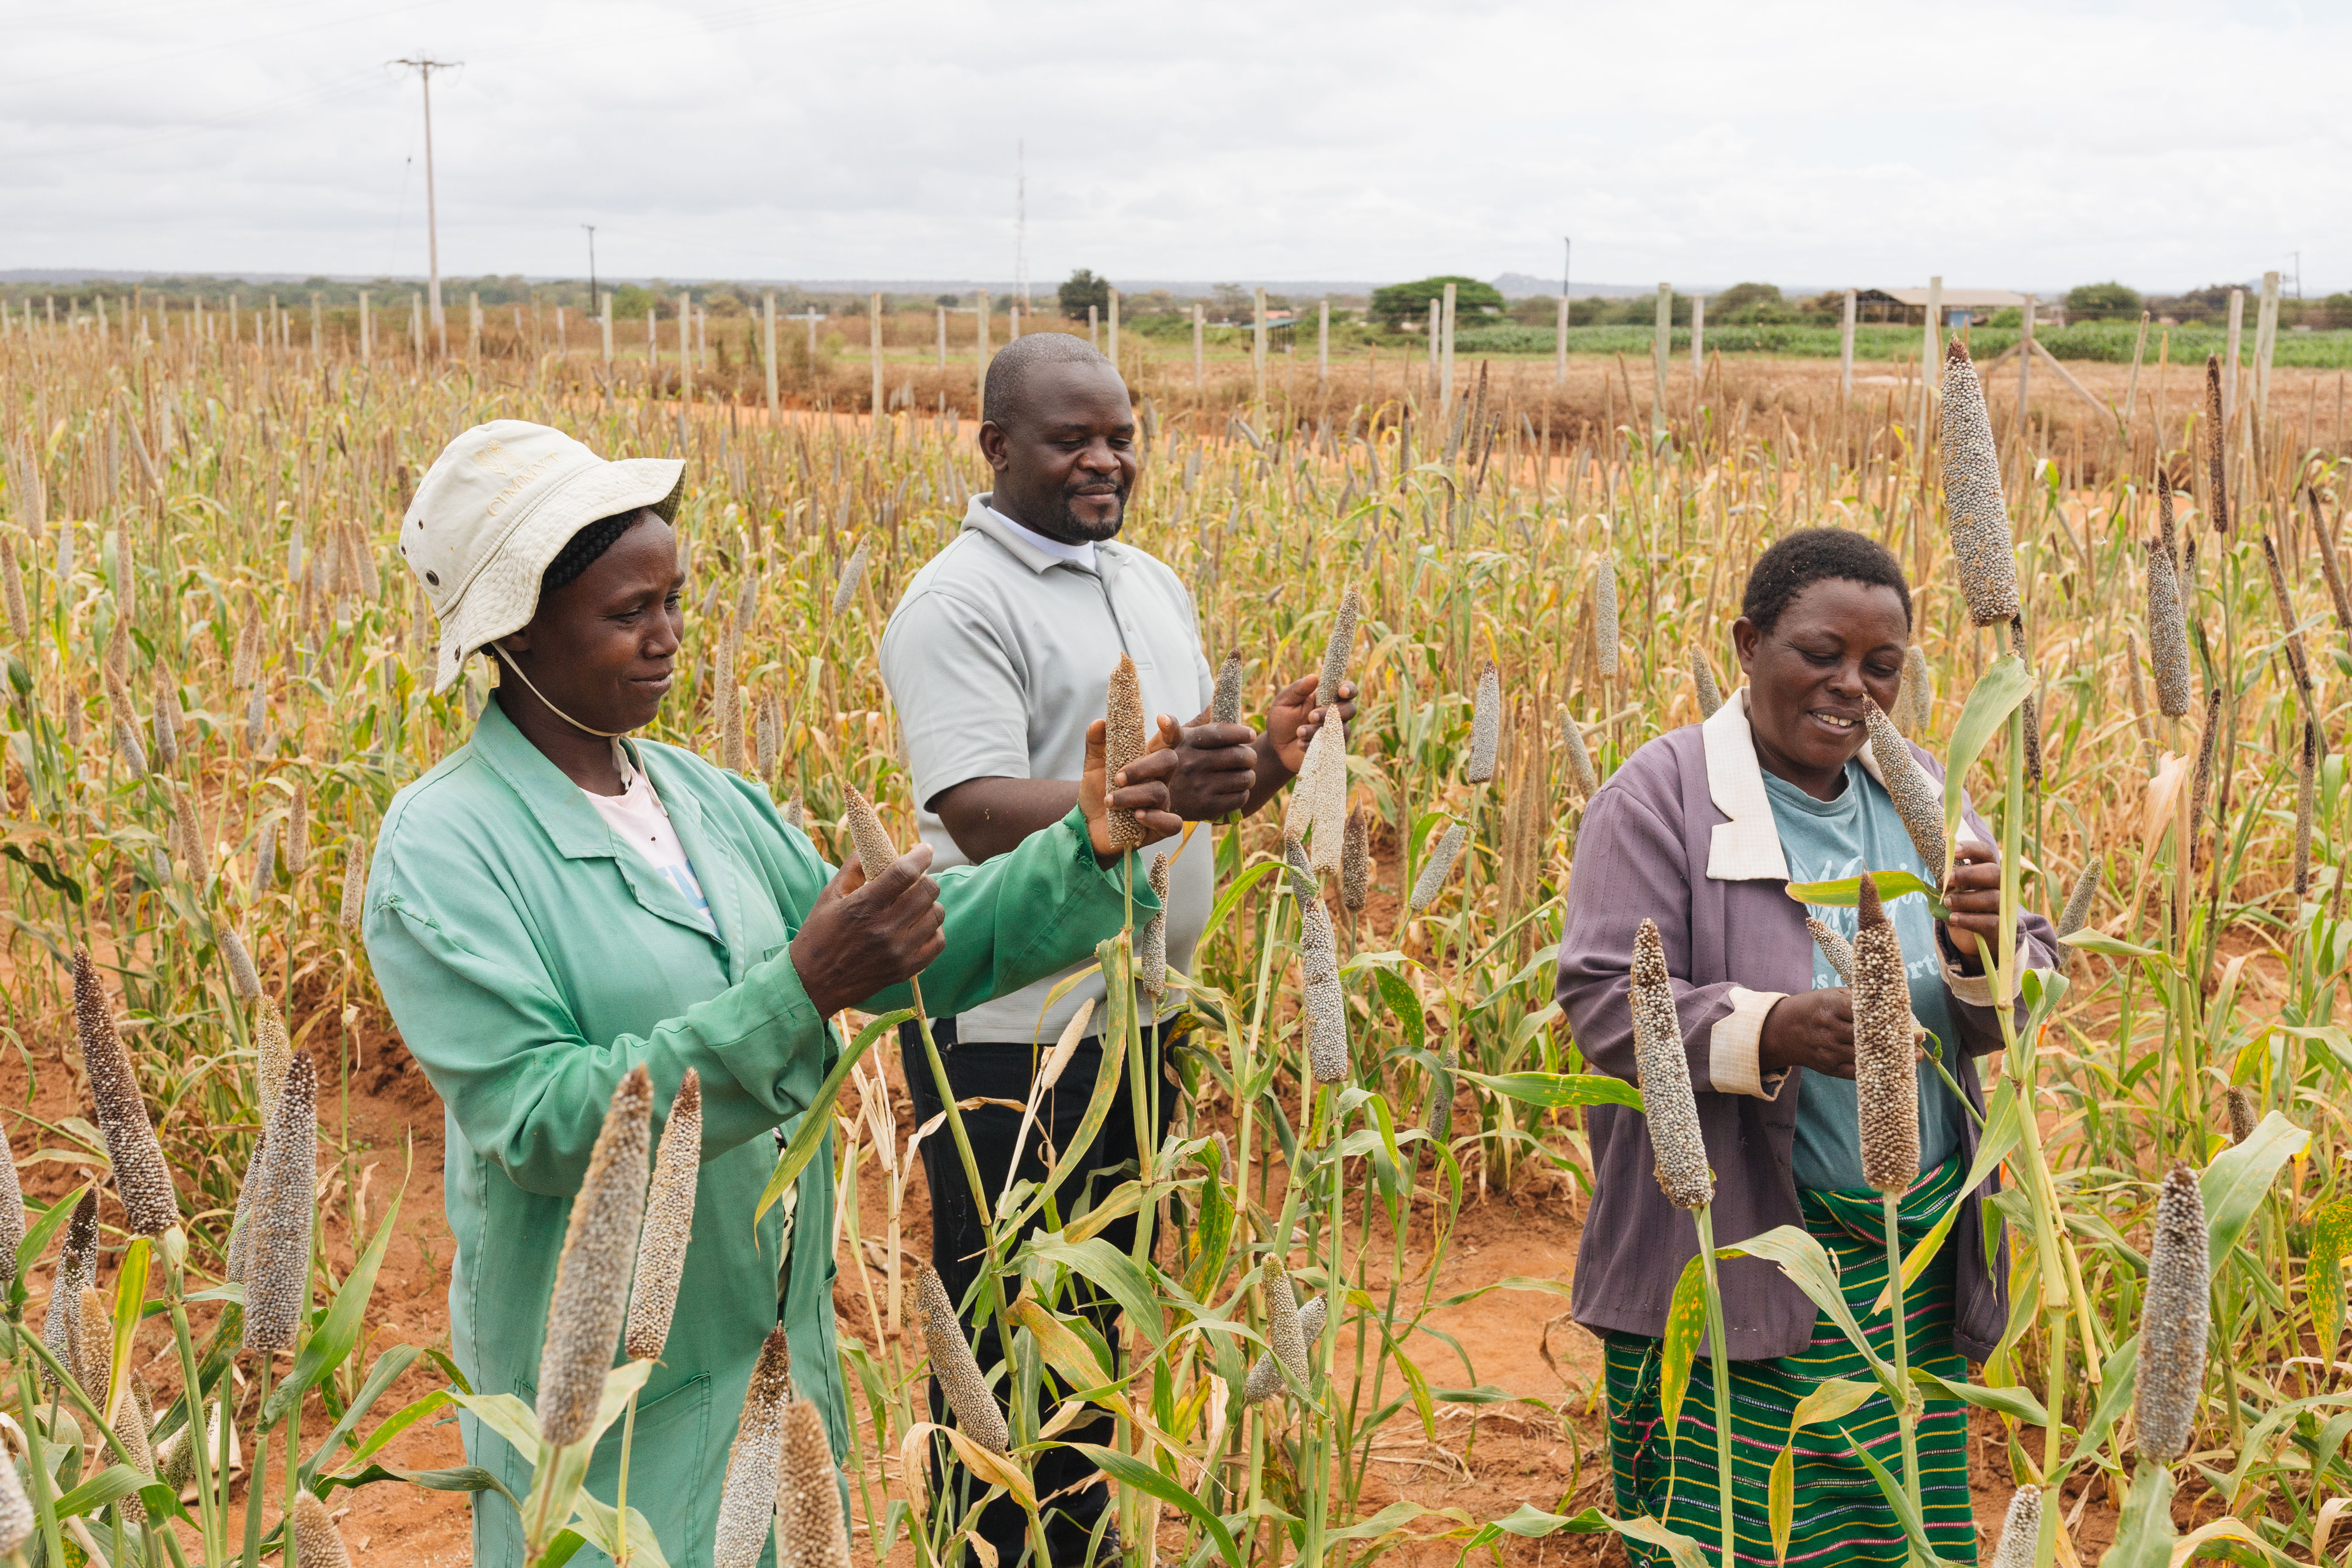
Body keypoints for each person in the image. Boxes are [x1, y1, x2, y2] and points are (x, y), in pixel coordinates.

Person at [362, 419, 1183, 1568]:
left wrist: (1085, 845)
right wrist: (798, 989)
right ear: (521, 631)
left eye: (674, 599)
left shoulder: (704, 799)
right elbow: (541, 1120)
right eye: (627, 612)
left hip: (762, 1345)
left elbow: (911, 951)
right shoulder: (446, 848)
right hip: (598, 1385)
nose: (667, 639)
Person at [878, 332, 1355, 1566]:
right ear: (995, 447)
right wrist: (1153, 785)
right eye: (1071, 438)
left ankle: (1075, 1546)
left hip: (1143, 1020)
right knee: (1003, 1346)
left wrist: (1258, 770)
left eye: (1121, 436)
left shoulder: (1144, 578)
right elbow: (977, 806)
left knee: (1092, 1325)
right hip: (1014, 1035)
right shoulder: (956, 602)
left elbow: (1170, 793)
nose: (1106, 459)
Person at [1555, 528, 2057, 1568]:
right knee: (1733, 1534)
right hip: (1734, 1250)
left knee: (1897, 1529)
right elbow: (1605, 999)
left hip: (1907, 1255)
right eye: (1819, 654)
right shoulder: (1657, 798)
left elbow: (2025, 971)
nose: (1851, 688)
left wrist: (1984, 948)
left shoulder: (1919, 784)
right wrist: (1771, 1027)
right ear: (1747, 644)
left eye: (1881, 667)